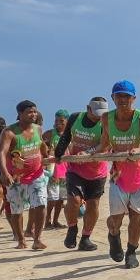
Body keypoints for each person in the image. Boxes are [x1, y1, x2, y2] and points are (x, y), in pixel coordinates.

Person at [98, 80, 140, 269]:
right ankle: (113, 235)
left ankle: (131, 252)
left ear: (134, 98)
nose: (123, 99)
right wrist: (91, 152)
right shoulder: (106, 118)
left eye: (127, 96)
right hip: (119, 175)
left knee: (136, 216)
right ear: (113, 98)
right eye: (119, 95)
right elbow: (104, 145)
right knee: (115, 219)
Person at [54, 98, 111, 252]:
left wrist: (88, 153)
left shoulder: (106, 122)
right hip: (75, 169)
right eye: (96, 114)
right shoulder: (75, 118)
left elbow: (105, 144)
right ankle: (72, 229)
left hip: (97, 171)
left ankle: (86, 238)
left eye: (102, 114)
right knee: (74, 201)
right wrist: (58, 152)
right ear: (88, 108)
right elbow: (66, 136)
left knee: (93, 205)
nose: (99, 117)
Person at [0, 101, 52, 250]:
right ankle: (21, 239)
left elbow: (40, 144)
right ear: (20, 114)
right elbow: (1, 153)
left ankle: (37, 239)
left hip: (37, 174)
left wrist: (46, 155)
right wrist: (5, 173)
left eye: (35, 111)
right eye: (29, 112)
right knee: (17, 209)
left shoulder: (38, 129)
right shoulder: (9, 133)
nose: (33, 114)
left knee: (41, 204)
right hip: (16, 177)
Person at [45, 111, 71, 228]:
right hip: (53, 171)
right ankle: (47, 220)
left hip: (66, 171)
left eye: (61, 120)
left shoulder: (71, 134)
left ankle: (55, 221)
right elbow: (41, 146)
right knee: (52, 199)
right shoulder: (50, 134)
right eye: (56, 120)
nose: (58, 123)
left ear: (67, 121)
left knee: (61, 199)